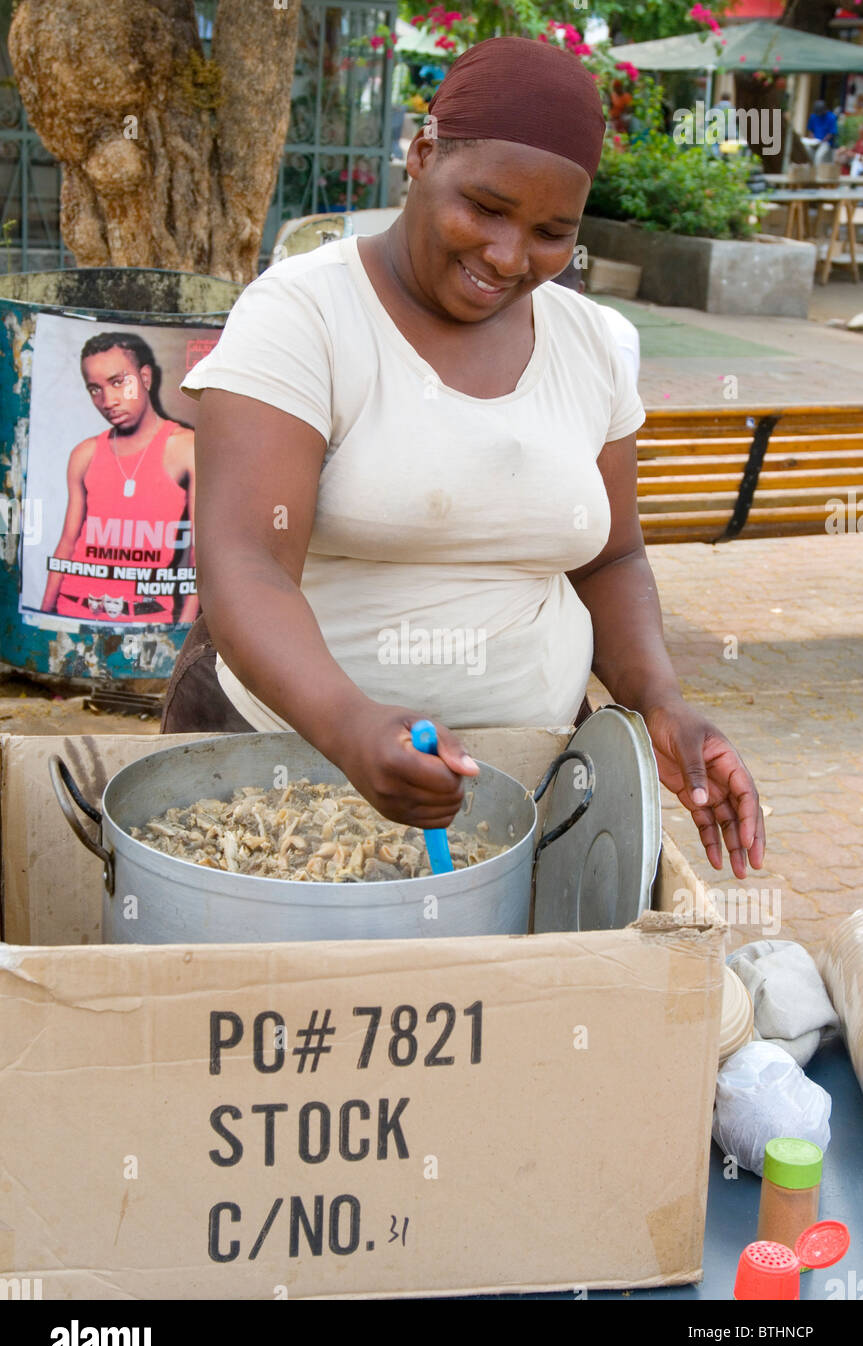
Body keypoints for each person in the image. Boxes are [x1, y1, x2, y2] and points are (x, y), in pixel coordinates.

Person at [165, 36, 765, 880]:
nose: (508, 256)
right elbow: (245, 562)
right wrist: (348, 725)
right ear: (419, 156)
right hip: (284, 772)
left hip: (525, 785)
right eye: (483, 207)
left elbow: (613, 556)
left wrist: (660, 701)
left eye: (552, 232)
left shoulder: (589, 344)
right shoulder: (304, 313)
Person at [41, 333, 199, 625]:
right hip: (72, 610)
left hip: (147, 620)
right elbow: (66, 544)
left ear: (145, 378)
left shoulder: (185, 447)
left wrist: (185, 632)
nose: (108, 400)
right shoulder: (85, 454)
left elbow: (200, 556)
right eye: (94, 389)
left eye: (118, 382)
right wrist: (42, 618)